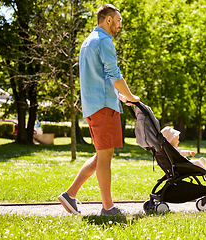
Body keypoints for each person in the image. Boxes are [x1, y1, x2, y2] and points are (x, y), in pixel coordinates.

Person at [58, 4, 140, 216]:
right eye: (118, 20)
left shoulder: (87, 42)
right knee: (105, 157)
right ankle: (108, 208)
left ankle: (70, 195)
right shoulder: (104, 40)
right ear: (108, 20)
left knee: (101, 155)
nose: (120, 25)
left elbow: (99, 76)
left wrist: (119, 95)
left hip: (94, 105)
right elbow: (114, 74)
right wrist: (131, 97)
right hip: (103, 107)